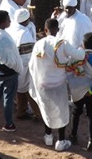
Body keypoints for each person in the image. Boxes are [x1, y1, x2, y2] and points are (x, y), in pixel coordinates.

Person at [29, 18, 85, 152]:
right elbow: (79, 56)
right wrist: (82, 47)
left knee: (46, 108)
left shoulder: (38, 44)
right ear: (58, 30)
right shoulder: (62, 43)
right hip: (58, 85)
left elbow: (32, 65)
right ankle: (60, 140)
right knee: (61, 112)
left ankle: (48, 136)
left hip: (43, 84)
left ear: (45, 30)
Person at [69, 31, 92, 151]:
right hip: (91, 92)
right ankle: (91, 141)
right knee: (91, 116)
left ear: (83, 44)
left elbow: (69, 72)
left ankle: (73, 135)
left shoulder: (76, 57)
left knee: (76, 113)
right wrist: (90, 91)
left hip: (77, 91)